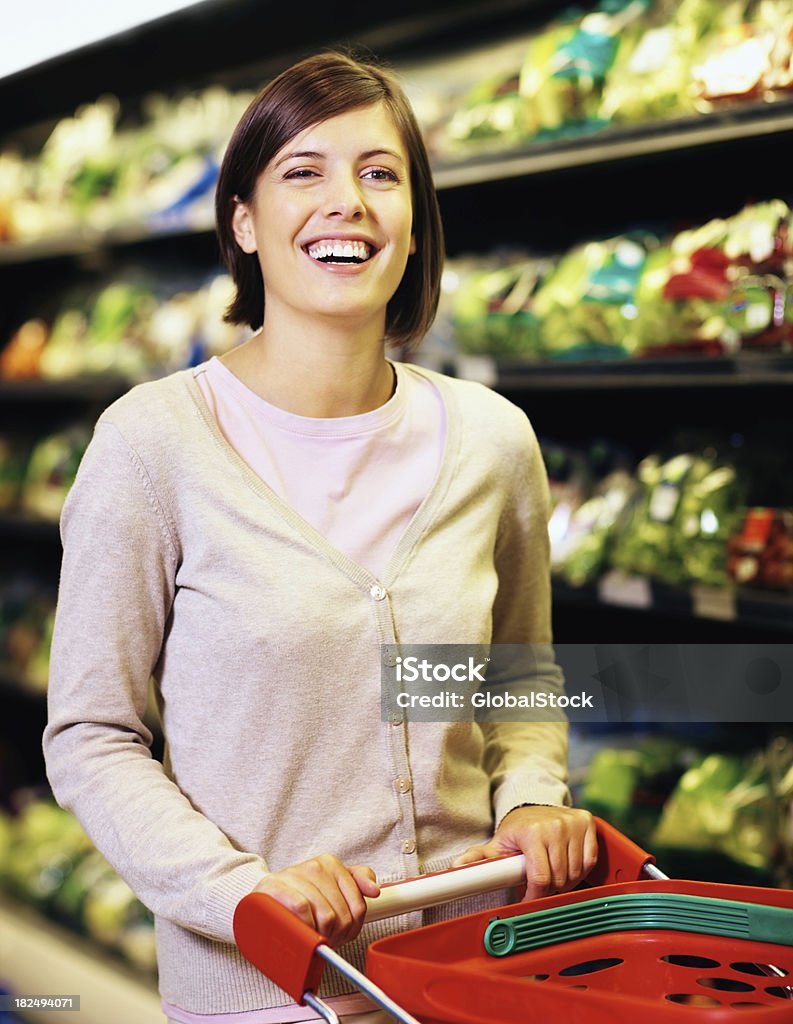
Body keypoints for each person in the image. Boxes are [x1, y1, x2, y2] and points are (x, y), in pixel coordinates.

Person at [43, 49, 597, 1024]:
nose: (347, 199)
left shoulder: (492, 441)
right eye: (304, 171)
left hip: (480, 971)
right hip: (266, 995)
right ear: (243, 223)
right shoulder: (151, 445)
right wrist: (240, 891)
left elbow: (518, 674)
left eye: (379, 173)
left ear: (415, 225)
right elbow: (93, 735)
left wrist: (530, 798)